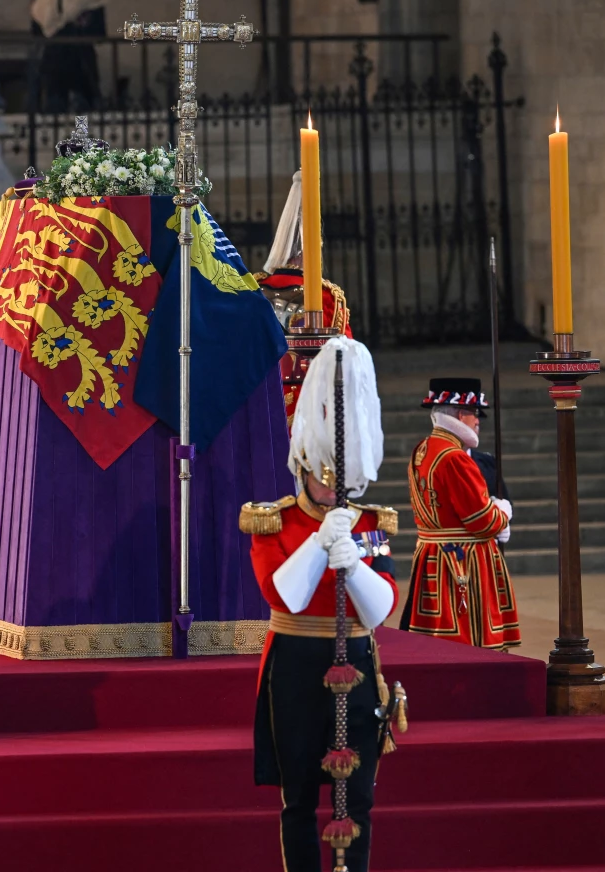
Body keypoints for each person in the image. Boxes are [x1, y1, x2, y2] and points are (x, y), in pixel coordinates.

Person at [243, 336, 398, 872]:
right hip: (295, 664)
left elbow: (380, 609)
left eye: (343, 482)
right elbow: (280, 593)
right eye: (324, 478)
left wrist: (352, 562)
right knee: (300, 797)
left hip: (354, 659)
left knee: (358, 796)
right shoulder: (274, 521)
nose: (334, 491)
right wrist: (316, 543)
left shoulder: (372, 525)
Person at [400, 377, 518, 649]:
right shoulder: (455, 457)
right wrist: (502, 512)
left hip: (434, 554)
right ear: (461, 414)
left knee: (434, 639)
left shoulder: (423, 448)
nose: (478, 421)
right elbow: (482, 521)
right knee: (467, 642)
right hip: (462, 561)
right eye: (475, 413)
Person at [258, 171, 354, 425]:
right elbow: (347, 360)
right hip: (310, 406)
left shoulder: (253, 289)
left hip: (260, 400)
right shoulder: (327, 296)